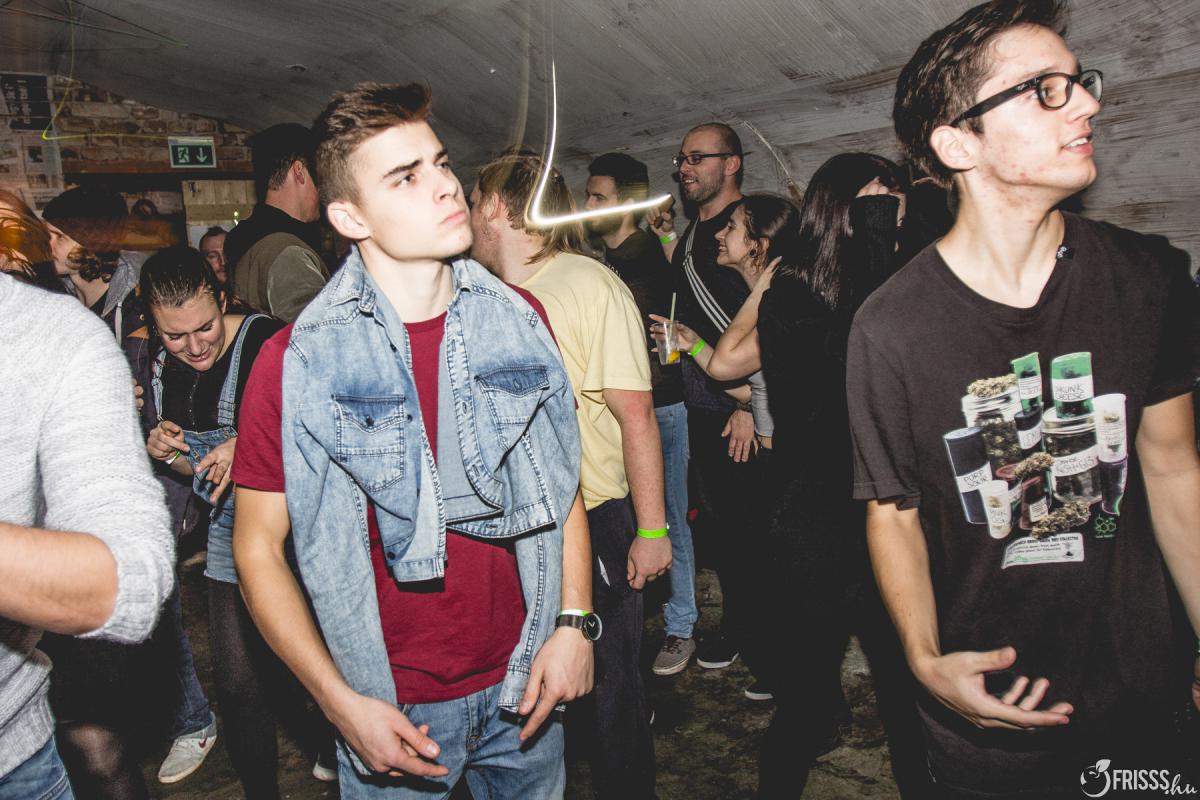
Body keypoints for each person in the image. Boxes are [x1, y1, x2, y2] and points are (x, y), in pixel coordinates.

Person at [848, 1, 1200, 796]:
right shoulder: (891, 327)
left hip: (1141, 698)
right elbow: (893, 512)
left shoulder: (1149, 277)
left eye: (1079, 81)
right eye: (1044, 90)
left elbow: (1174, 468)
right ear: (957, 143)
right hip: (992, 703)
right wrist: (924, 660)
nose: (1087, 104)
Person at [232, 82, 594, 800]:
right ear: (349, 216)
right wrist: (339, 703)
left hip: (525, 678)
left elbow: (559, 487)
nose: (445, 186)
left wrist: (574, 622)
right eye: (405, 177)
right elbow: (255, 549)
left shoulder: (518, 318)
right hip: (390, 701)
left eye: (440, 163)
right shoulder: (298, 361)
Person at [471, 148, 668, 799]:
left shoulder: (589, 284)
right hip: (503, 528)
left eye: (473, 203)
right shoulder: (478, 293)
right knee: (523, 691)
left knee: (610, 695)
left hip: (594, 520)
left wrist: (652, 530)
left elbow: (635, 414)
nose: (466, 216)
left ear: (495, 208)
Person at [141, 245, 335, 797]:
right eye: (174, 336)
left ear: (222, 299)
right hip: (233, 523)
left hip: (305, 520)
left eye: (204, 327)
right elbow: (198, 470)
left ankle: (337, 744)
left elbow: (325, 429)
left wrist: (249, 443)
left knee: (322, 658)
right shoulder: (163, 367)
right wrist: (167, 453)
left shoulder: (269, 342)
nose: (195, 347)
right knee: (237, 680)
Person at [0, 268, 174, 800]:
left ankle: (193, 722)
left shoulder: (51, 333)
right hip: (44, 622)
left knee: (100, 744)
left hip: (14, 741)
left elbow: (131, 577)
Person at [646, 122, 766, 693]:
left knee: (752, 532)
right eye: (682, 159)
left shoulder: (747, 227)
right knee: (726, 530)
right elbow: (693, 286)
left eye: (698, 158)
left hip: (736, 408)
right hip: (705, 401)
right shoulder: (700, 228)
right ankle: (743, 629)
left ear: (732, 163)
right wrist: (670, 237)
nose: (685, 168)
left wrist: (751, 404)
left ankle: (771, 649)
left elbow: (760, 317)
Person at [584, 152, 698, 677]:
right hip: (626, 413)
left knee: (667, 517)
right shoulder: (609, 260)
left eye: (599, 196)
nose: (589, 205)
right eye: (588, 195)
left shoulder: (646, 261)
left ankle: (682, 626)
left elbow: (665, 342)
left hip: (661, 409)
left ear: (626, 203)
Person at [224, 123, 328, 321]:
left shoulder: (252, 240)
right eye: (320, 178)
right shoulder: (287, 251)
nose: (324, 191)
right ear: (299, 171)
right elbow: (320, 331)